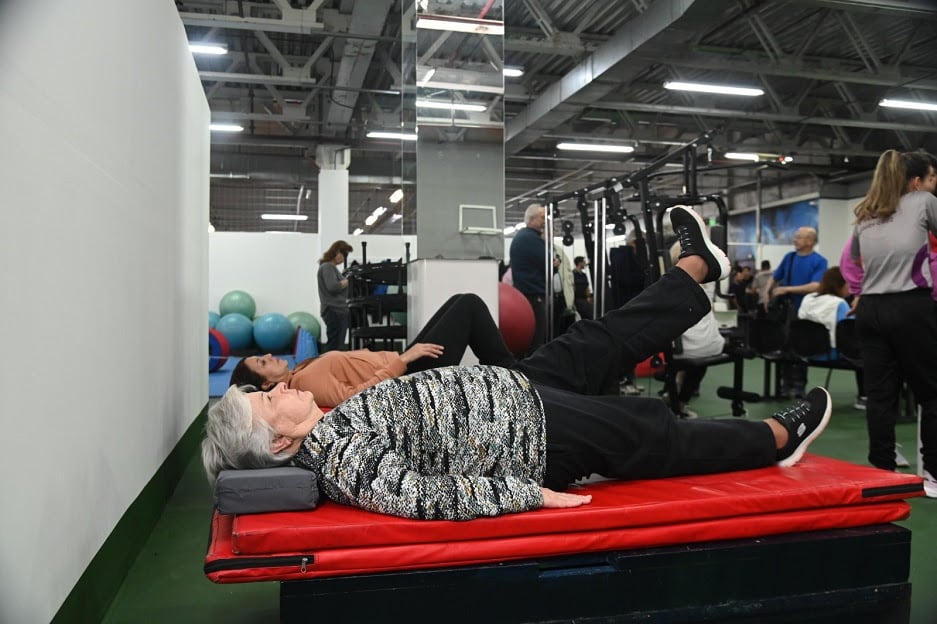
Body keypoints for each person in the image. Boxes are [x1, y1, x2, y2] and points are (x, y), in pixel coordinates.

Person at [202, 206, 833, 520]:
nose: (278, 386)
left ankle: (696, 272)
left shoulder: (328, 431)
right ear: (281, 440)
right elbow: (429, 497)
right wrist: (527, 493)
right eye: (266, 398)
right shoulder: (340, 460)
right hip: (529, 433)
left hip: (506, 390)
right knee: (649, 432)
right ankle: (778, 438)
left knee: (602, 341)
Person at [230, 293, 516, 407]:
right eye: (262, 363)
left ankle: (512, 372)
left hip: (403, 365)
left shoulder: (299, 372)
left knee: (460, 301)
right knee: (469, 306)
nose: (268, 355)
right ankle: (515, 375)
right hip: (410, 377)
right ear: (267, 384)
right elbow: (357, 398)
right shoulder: (306, 382)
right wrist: (404, 360)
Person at [848, 149, 937, 498]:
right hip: (909, 307)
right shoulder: (922, 201)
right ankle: (933, 475)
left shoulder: (865, 213)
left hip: (870, 310)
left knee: (880, 397)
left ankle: (881, 474)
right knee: (932, 394)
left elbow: (856, 259)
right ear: (913, 179)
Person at [760, 226, 828, 398]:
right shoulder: (789, 258)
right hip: (786, 312)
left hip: (806, 312)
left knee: (801, 349)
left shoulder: (819, 261)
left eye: (799, 237)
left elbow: (816, 285)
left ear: (810, 241)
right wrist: (766, 292)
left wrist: (787, 289)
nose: (795, 239)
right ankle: (784, 384)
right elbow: (774, 277)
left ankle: (799, 386)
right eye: (796, 236)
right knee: (784, 346)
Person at [668, 242, 726, 419]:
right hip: (711, 347)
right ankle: (680, 400)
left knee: (678, 355)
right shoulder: (708, 287)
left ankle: (676, 399)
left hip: (688, 349)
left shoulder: (670, 285)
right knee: (699, 360)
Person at [797, 266, 867, 411]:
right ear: (840, 285)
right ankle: (864, 397)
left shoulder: (807, 299)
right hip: (831, 354)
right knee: (864, 352)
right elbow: (850, 329)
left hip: (806, 352)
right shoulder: (839, 304)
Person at [509, 204, 550, 355]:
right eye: (542, 217)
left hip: (527, 293)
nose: (545, 221)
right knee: (537, 337)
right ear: (532, 219)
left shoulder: (524, 237)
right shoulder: (530, 239)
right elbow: (549, 263)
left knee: (533, 337)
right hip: (533, 295)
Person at [318, 240, 353, 353]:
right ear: (338, 252)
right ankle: (330, 369)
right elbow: (332, 286)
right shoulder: (327, 267)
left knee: (337, 345)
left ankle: (332, 368)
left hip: (338, 311)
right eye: (345, 255)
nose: (344, 259)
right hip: (334, 310)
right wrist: (347, 282)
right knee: (335, 346)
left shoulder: (331, 268)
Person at [572, 256, 593, 320]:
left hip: (584, 299)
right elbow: (572, 287)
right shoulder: (572, 274)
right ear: (579, 263)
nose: (585, 263)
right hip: (576, 299)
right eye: (583, 262)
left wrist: (588, 297)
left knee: (589, 314)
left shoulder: (584, 275)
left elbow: (587, 287)